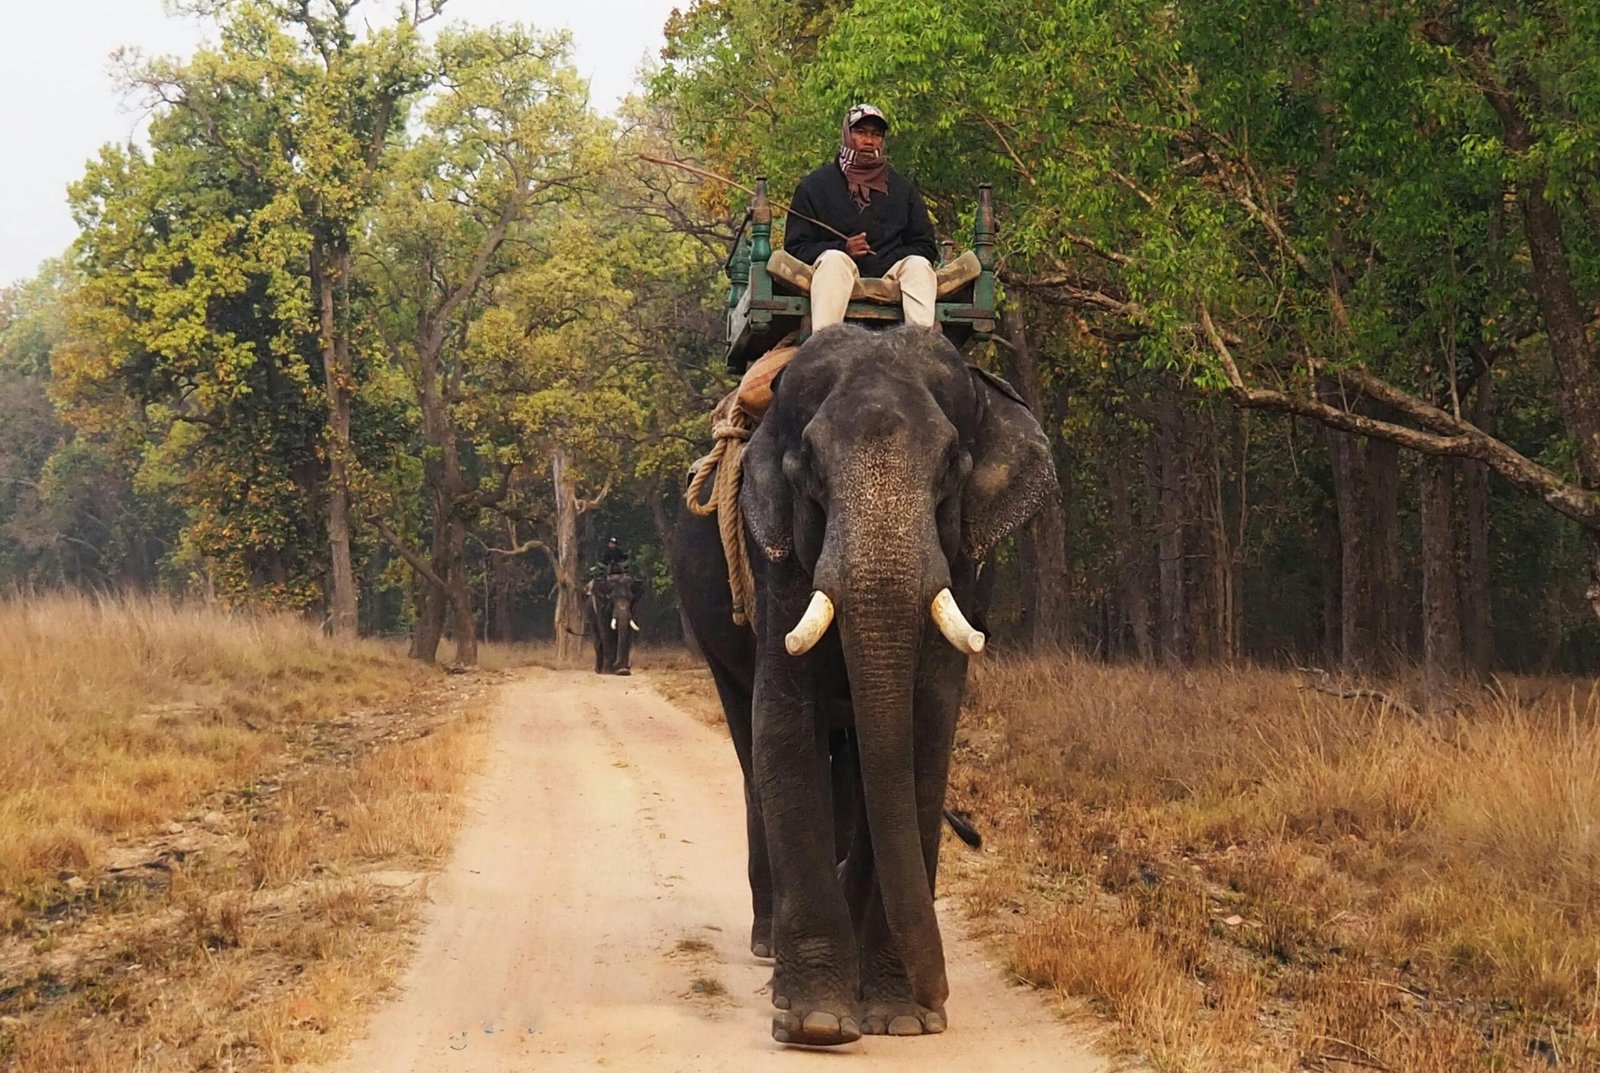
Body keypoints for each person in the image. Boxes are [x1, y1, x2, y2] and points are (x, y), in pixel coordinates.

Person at [783, 103, 939, 331]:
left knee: (919, 266)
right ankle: (826, 343)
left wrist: (888, 258)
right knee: (833, 261)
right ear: (847, 135)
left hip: (892, 272)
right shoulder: (814, 186)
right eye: (861, 132)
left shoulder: (902, 189)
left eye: (876, 135)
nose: (869, 141)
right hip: (840, 269)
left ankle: (921, 347)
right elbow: (795, 248)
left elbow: (925, 246)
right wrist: (844, 248)